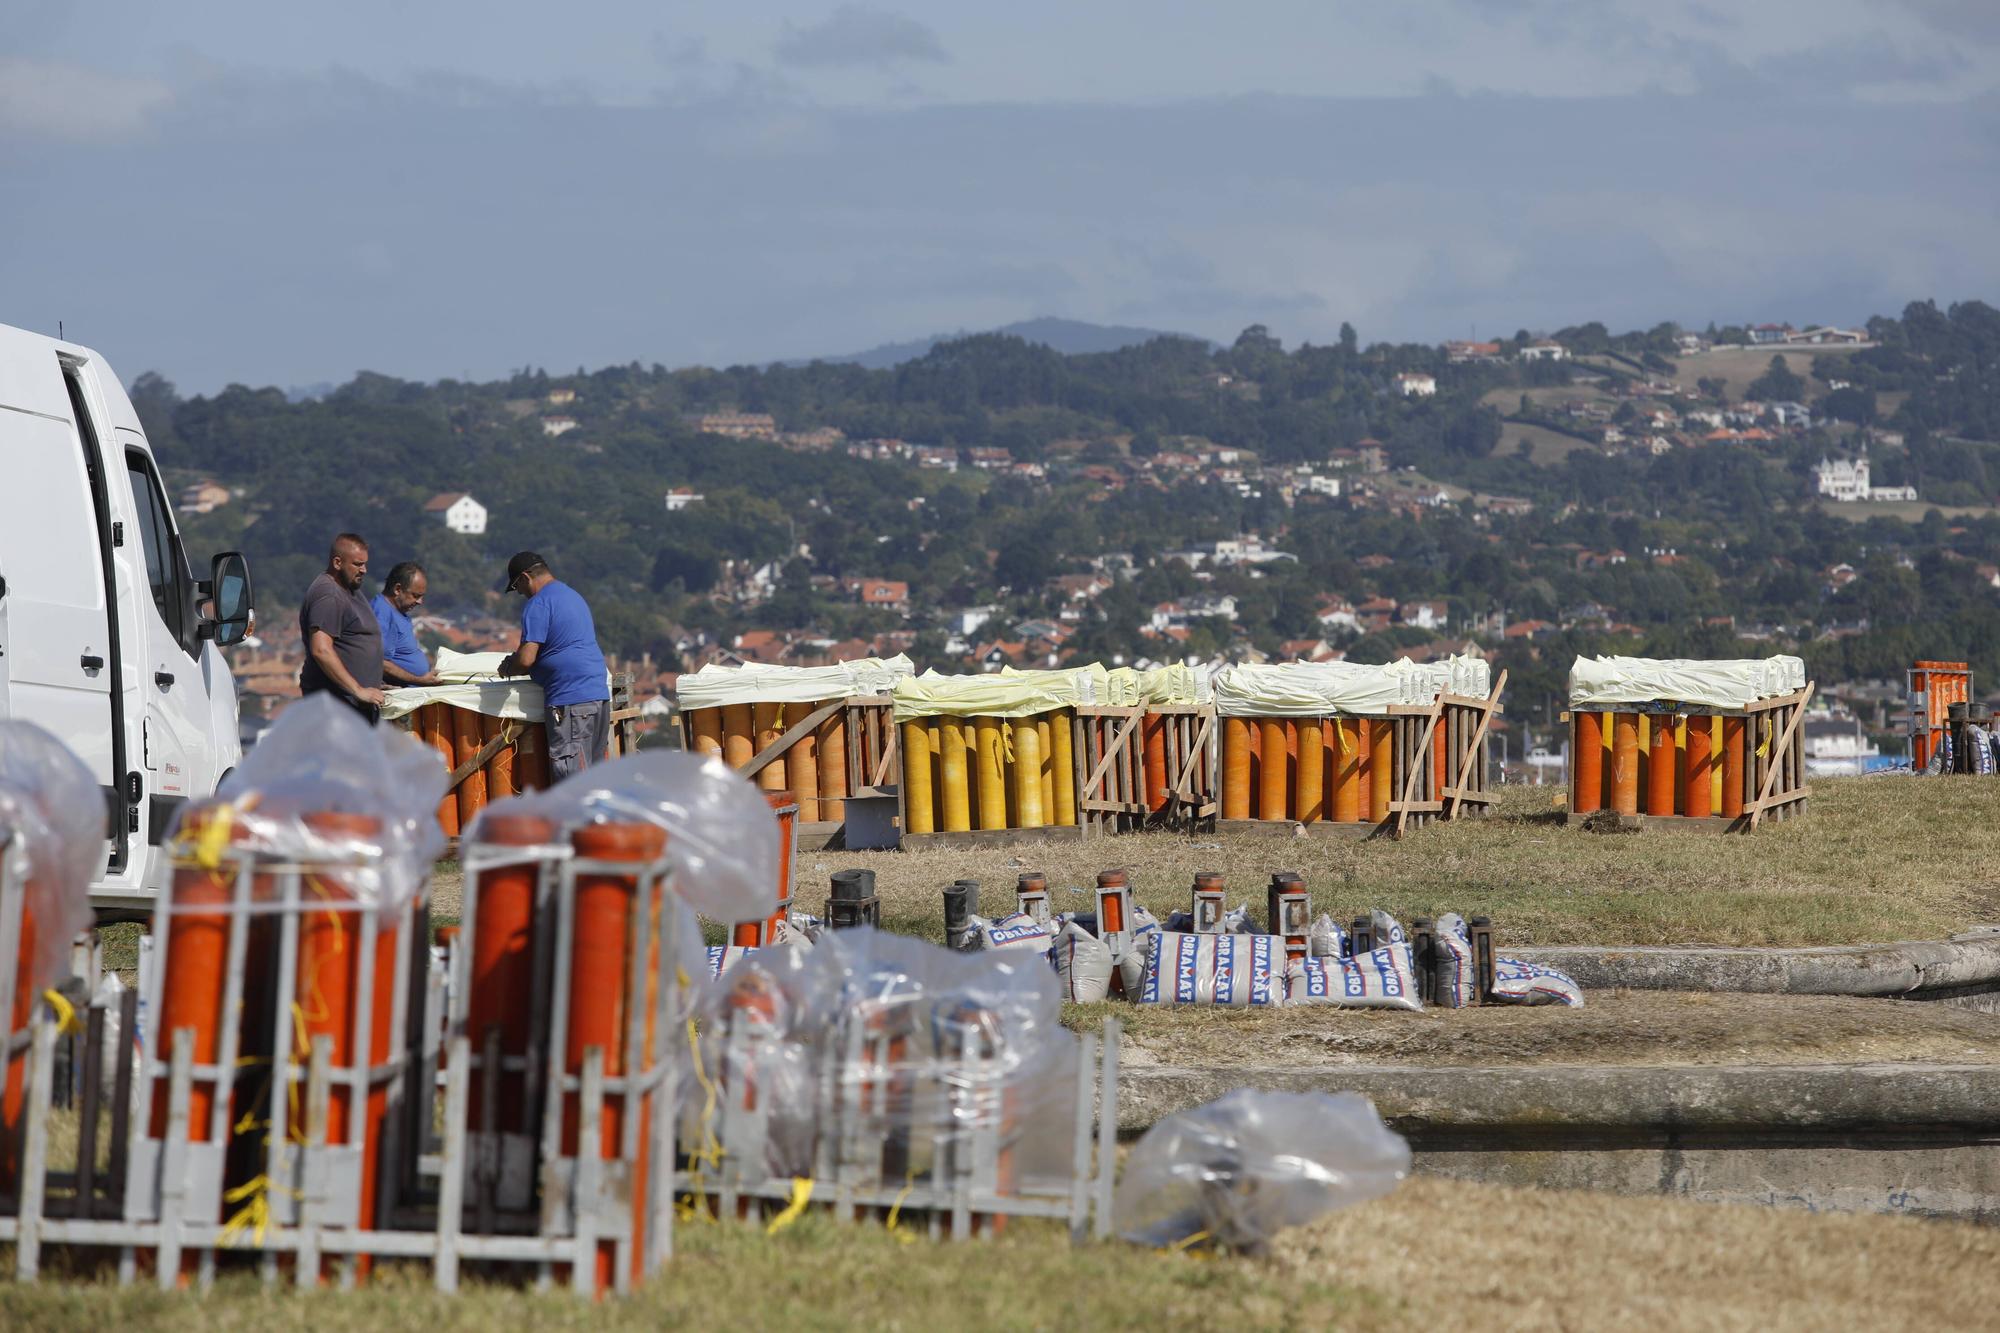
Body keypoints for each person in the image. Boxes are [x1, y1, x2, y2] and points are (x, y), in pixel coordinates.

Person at [496, 551, 610, 780]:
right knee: (594, 777)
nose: (519, 593)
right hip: (597, 695)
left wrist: (508, 668)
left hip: (570, 699)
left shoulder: (539, 603)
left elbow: (526, 659)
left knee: (571, 780)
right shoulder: (572, 596)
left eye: (517, 586)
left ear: (525, 578)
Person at [299, 532, 385, 722]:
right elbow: (321, 650)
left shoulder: (349, 588)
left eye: (365, 564)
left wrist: (374, 683)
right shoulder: (329, 595)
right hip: (336, 708)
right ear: (337, 563)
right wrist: (358, 690)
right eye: (357, 564)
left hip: (354, 707)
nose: (364, 570)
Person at [370, 561, 441, 687]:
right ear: (398, 589)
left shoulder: (399, 611)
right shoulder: (383, 612)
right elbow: (380, 663)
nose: (420, 601)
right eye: (415, 596)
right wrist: (419, 680)